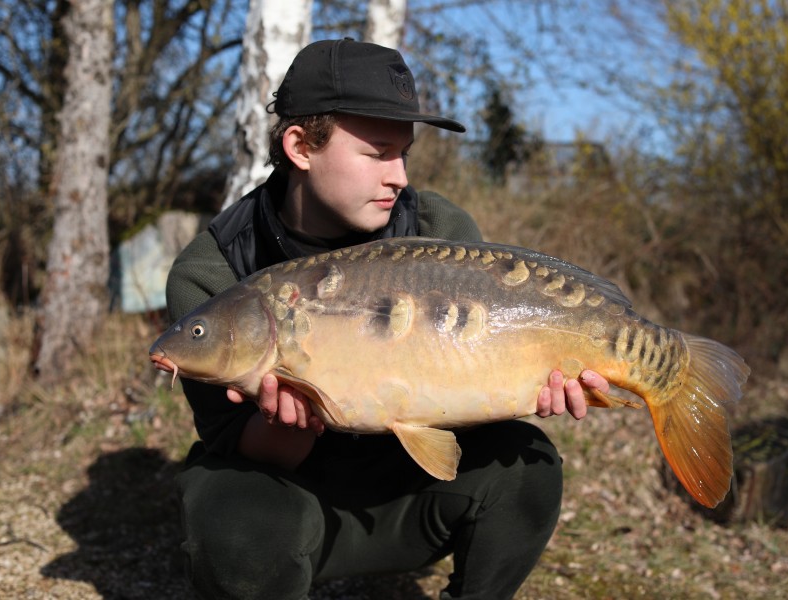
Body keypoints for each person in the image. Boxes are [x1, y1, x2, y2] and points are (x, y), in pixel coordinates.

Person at [166, 38, 610, 600]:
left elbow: (466, 398)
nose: (398, 176)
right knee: (229, 517)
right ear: (300, 146)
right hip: (292, 499)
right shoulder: (213, 271)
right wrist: (288, 418)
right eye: (378, 153)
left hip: (409, 491)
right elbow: (236, 444)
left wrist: (537, 386)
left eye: (405, 153)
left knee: (527, 464)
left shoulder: (438, 231)